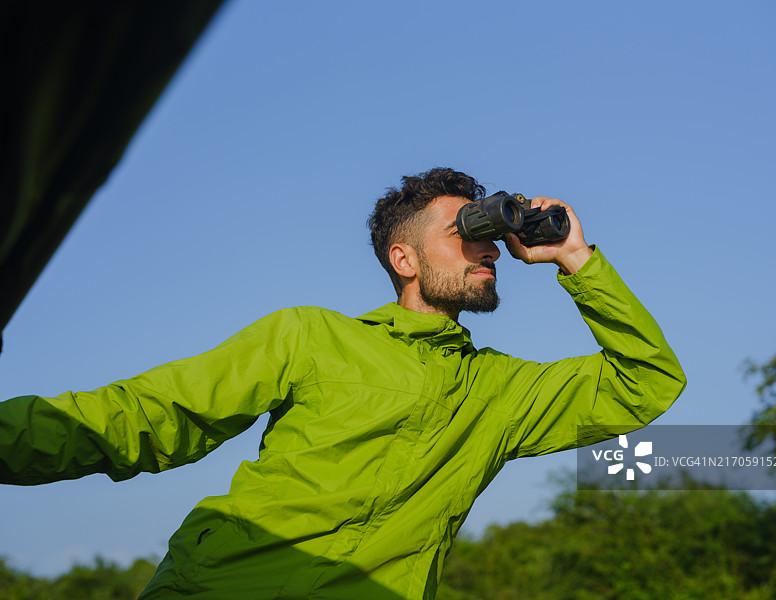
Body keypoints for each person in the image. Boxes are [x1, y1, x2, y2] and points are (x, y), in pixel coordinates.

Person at [0, 167, 686, 599]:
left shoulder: (501, 394)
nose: (487, 248)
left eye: (491, 233)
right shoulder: (311, 336)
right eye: (466, 231)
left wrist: (575, 258)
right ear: (403, 258)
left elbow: (646, 381)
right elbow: (145, 416)